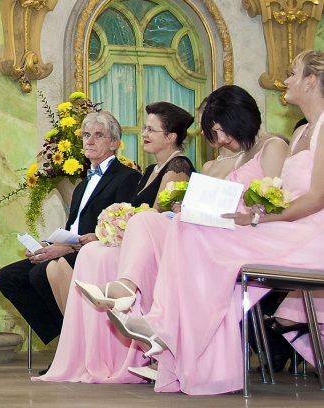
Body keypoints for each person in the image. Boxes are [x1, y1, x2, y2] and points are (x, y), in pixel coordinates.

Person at [39, 87, 287, 384]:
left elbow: (275, 198)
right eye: (215, 132)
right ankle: (127, 298)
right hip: (209, 228)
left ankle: (155, 331)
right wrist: (188, 206)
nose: (219, 139)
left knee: (149, 223)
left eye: (221, 131)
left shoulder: (270, 147)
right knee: (142, 224)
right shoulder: (214, 163)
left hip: (244, 233)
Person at [111, 54, 324, 395]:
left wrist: (259, 217)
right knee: (188, 224)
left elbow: (316, 198)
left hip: (310, 234)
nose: (288, 80)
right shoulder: (301, 134)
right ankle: (175, 334)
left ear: (312, 81)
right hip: (286, 225)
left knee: (196, 231)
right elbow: (281, 194)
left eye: (294, 73)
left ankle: (171, 330)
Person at [0, 111, 141, 363]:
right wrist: (47, 245)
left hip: (99, 252)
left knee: (39, 273)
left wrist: (67, 249)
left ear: (115, 143)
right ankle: (67, 335)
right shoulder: (83, 185)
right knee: (8, 277)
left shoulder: (128, 178)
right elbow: (71, 228)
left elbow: (123, 228)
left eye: (98, 135)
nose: (89, 141)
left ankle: (72, 348)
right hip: (71, 248)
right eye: (85, 135)